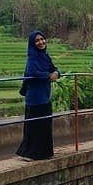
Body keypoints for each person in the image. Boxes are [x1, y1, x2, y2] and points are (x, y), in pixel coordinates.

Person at [16, 30, 60, 160]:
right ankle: (30, 154)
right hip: (34, 97)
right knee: (34, 125)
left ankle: (45, 153)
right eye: (37, 41)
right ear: (32, 44)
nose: (41, 42)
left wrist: (57, 73)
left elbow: (54, 68)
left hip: (45, 96)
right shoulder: (32, 58)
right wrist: (48, 76)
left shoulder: (45, 56)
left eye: (42, 39)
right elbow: (33, 72)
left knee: (45, 125)